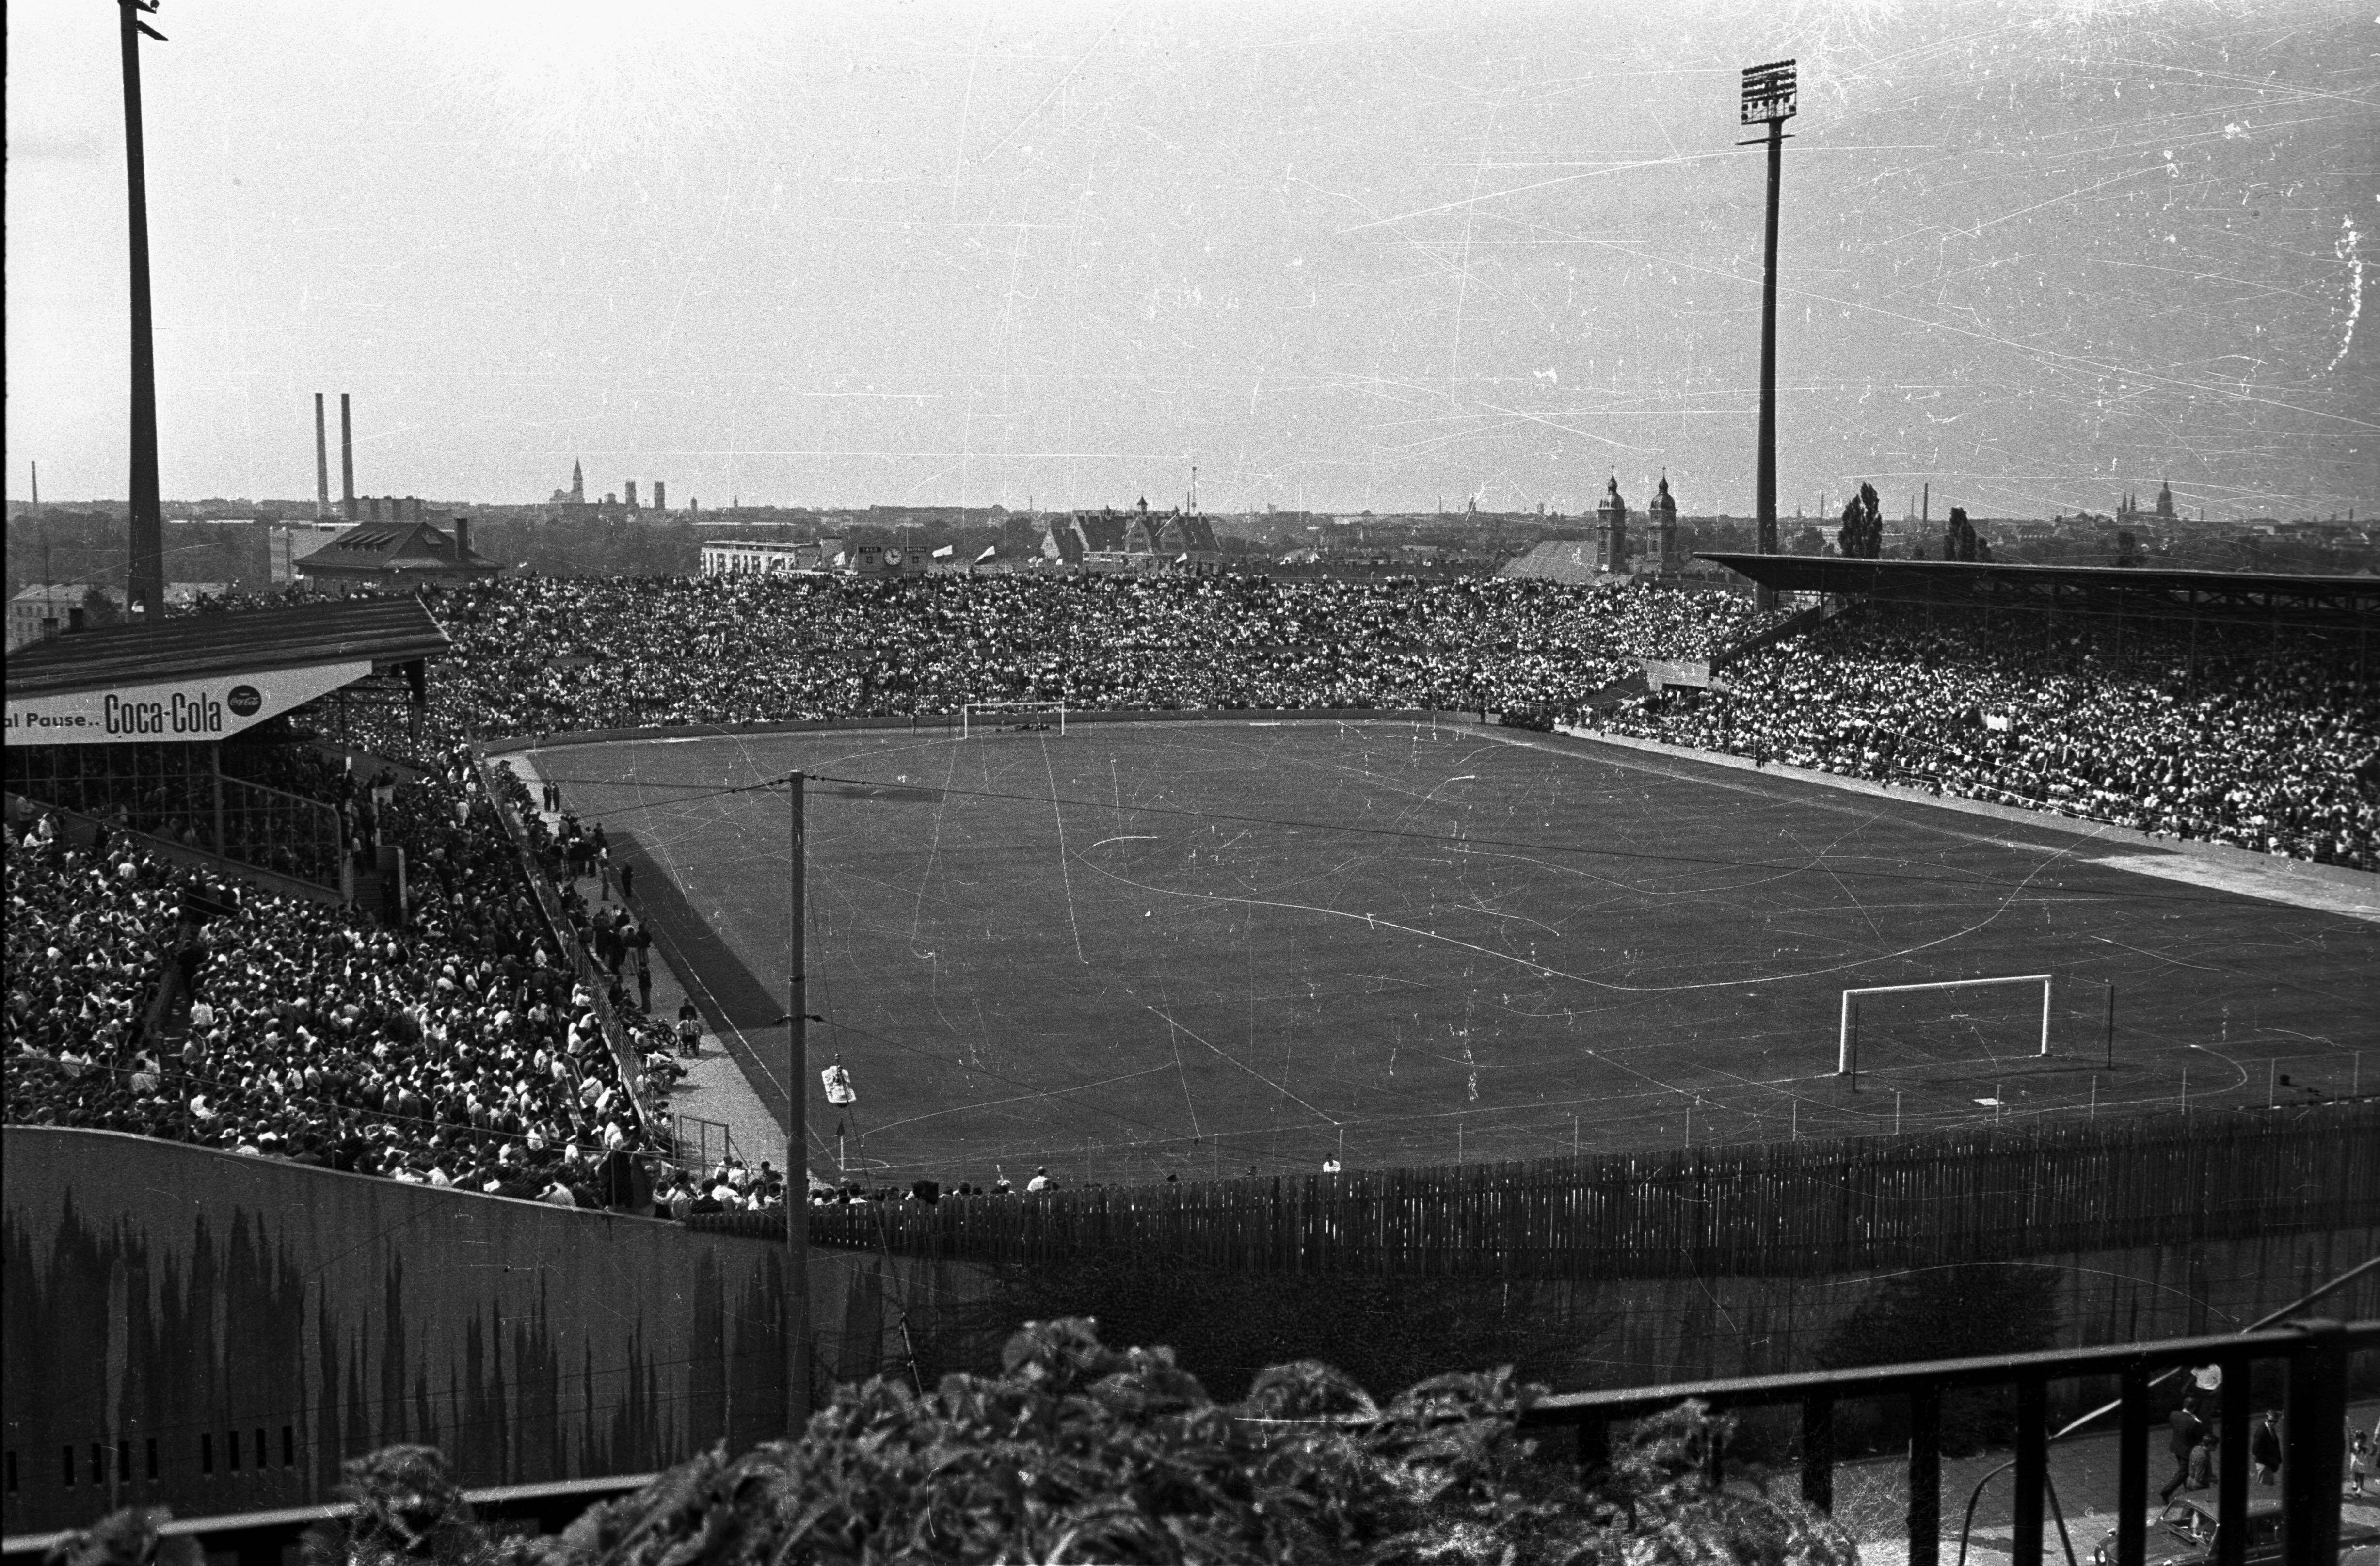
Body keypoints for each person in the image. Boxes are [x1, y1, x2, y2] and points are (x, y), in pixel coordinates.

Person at [2160, 1403, 2204, 1504]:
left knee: (2185, 1472)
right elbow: (2200, 1435)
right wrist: (2198, 1422)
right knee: (2184, 1473)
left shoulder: (2174, 1414)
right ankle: (2166, 1492)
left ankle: (2187, 1492)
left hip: (2177, 1447)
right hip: (2187, 1451)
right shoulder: (2194, 1422)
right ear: (2194, 1408)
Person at [2251, 1409, 2281, 1485]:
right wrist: (2271, 1462)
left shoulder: (2270, 1428)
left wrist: (2278, 1458)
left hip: (2268, 1463)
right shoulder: (2262, 1432)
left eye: (2275, 1422)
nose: (2273, 1423)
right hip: (2264, 1464)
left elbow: (2275, 1444)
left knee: (2270, 1484)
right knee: (2265, 1486)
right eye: (2271, 1421)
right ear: (2266, 1419)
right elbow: (2255, 1451)